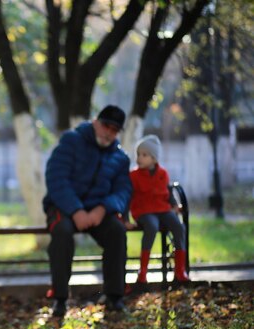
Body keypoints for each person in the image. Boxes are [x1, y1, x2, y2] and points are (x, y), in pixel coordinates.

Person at [42, 105, 132, 317]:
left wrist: (103, 209)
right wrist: (75, 210)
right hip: (63, 206)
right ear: (95, 122)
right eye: (106, 126)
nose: (109, 133)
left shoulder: (120, 158)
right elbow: (56, 179)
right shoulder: (70, 141)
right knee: (62, 232)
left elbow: (123, 190)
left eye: (115, 130)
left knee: (117, 232)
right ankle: (60, 298)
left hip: (98, 210)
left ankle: (114, 297)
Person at [128, 134, 190, 287]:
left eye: (144, 155)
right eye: (138, 155)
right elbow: (128, 196)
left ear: (154, 158)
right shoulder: (134, 176)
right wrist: (125, 218)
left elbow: (167, 192)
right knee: (152, 227)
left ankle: (180, 270)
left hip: (162, 208)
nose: (139, 158)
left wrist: (175, 206)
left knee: (178, 226)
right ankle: (142, 272)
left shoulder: (162, 173)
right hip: (144, 211)